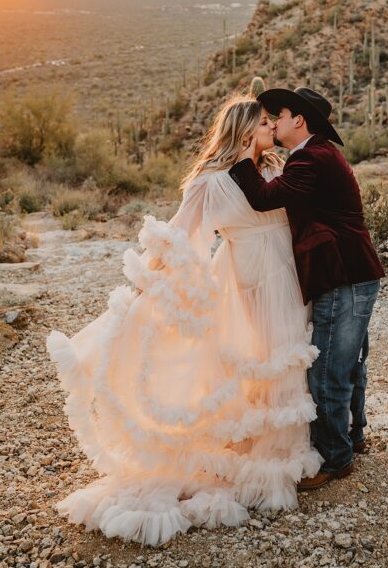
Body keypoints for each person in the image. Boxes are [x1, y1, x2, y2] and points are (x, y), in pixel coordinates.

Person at [46, 94, 322, 547]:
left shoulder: (277, 166)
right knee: (269, 351)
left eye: (274, 120)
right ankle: (271, 458)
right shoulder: (210, 181)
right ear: (246, 127)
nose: (273, 125)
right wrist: (147, 284)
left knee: (288, 348)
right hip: (249, 273)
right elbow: (179, 232)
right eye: (265, 121)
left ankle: (294, 444)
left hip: (289, 267)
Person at [229, 86, 384, 489]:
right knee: (348, 364)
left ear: (298, 120)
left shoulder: (311, 159)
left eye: (276, 116)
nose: (273, 122)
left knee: (328, 370)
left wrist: (242, 157)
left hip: (343, 278)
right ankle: (353, 436)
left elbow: (263, 199)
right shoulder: (317, 155)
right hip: (353, 274)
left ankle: (336, 459)